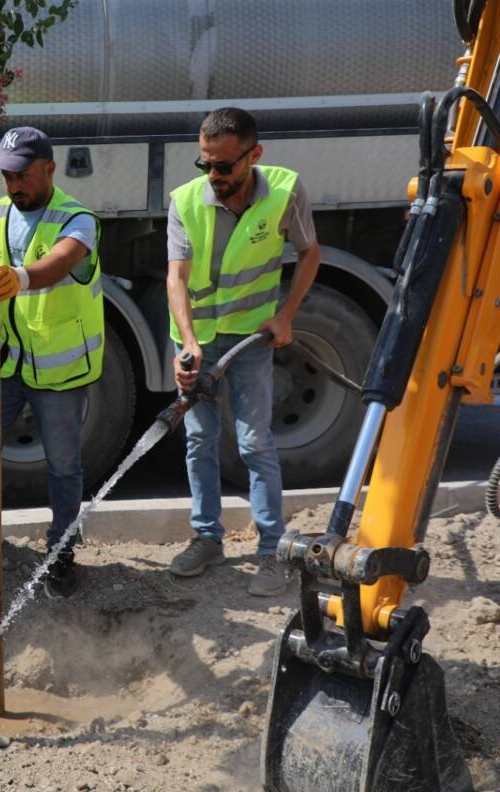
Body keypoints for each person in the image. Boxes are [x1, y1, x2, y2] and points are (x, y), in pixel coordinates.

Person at [165, 107, 320, 596]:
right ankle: (207, 538)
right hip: (199, 342)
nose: (214, 176)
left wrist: (286, 316)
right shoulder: (186, 202)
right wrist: (188, 345)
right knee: (199, 440)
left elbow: (309, 251)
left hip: (251, 339)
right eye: (205, 164)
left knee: (254, 443)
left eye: (224, 166)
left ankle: (272, 552)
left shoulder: (284, 192)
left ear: (255, 155)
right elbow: (177, 277)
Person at [0, 127, 103, 600]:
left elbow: (62, 262)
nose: (14, 184)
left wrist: (20, 277)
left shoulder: (77, 219)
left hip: (58, 368)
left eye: (23, 174)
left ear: (50, 170)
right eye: (6, 175)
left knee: (62, 464)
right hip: (4, 359)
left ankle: (60, 551)